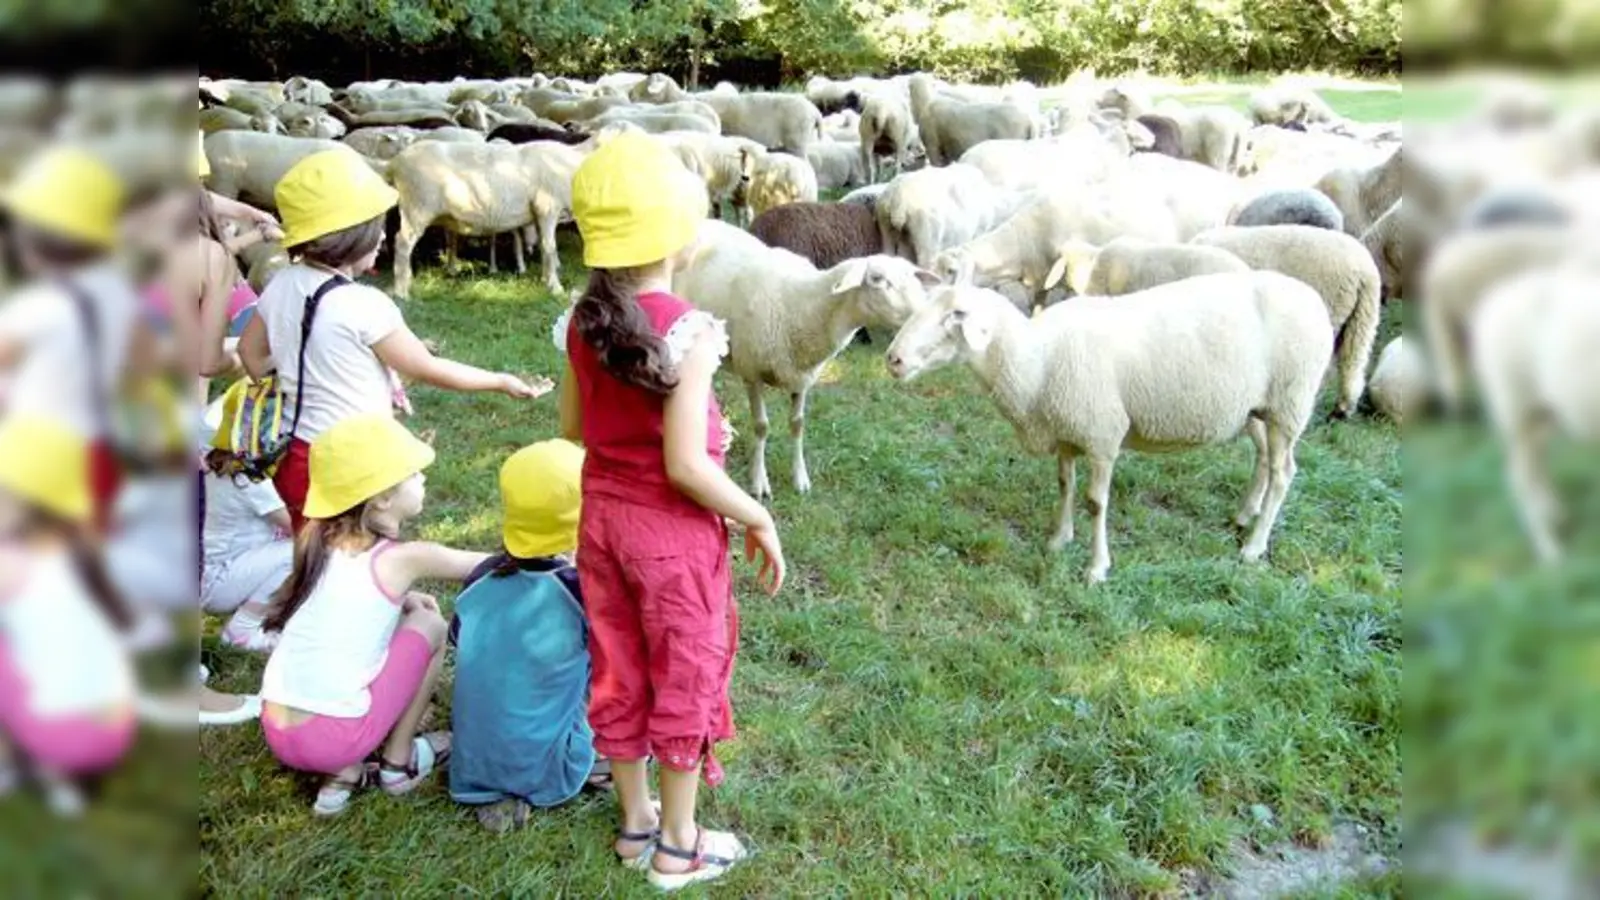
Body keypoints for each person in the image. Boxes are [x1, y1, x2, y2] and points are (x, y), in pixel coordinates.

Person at [555, 131, 786, 890]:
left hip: (601, 524)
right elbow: (687, 467)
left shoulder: (580, 322)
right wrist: (756, 513)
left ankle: (634, 824)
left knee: (618, 666)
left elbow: (572, 431)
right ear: (681, 235)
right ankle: (680, 844)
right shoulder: (688, 330)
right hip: (671, 537)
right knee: (684, 668)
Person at [237, 149, 552, 533]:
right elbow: (427, 368)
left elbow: (249, 353)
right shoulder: (364, 304)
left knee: (312, 559)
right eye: (377, 227)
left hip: (297, 453)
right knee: (358, 561)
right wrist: (500, 381)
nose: (384, 234)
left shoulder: (281, 282)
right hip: (356, 464)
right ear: (355, 236)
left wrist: (295, 376)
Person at [257, 414, 477, 817]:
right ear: (381, 497)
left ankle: (341, 777)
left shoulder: (317, 543)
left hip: (277, 726)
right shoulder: (406, 559)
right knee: (430, 624)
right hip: (333, 737)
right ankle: (397, 763)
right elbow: (493, 561)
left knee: (414, 611)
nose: (424, 480)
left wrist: (405, 596)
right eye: (413, 474)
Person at [448, 439, 606, 833]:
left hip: (472, 762)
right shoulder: (582, 590)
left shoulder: (480, 576)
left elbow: (460, 643)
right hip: (550, 768)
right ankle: (596, 770)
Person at [0, 144, 155, 534]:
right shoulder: (117, 291)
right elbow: (143, 359)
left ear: (31, 243)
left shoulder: (37, 305)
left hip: (35, 453)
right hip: (97, 451)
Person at [0, 414, 138, 817]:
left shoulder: (11, 562)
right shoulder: (91, 554)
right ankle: (66, 786)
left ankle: (17, 765)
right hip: (114, 726)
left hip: (57, 736)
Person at [198, 383, 290, 653]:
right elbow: (296, 526)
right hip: (218, 580)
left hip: (209, 570)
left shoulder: (217, 461)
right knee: (298, 551)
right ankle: (243, 630)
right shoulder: (249, 478)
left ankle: (270, 613)